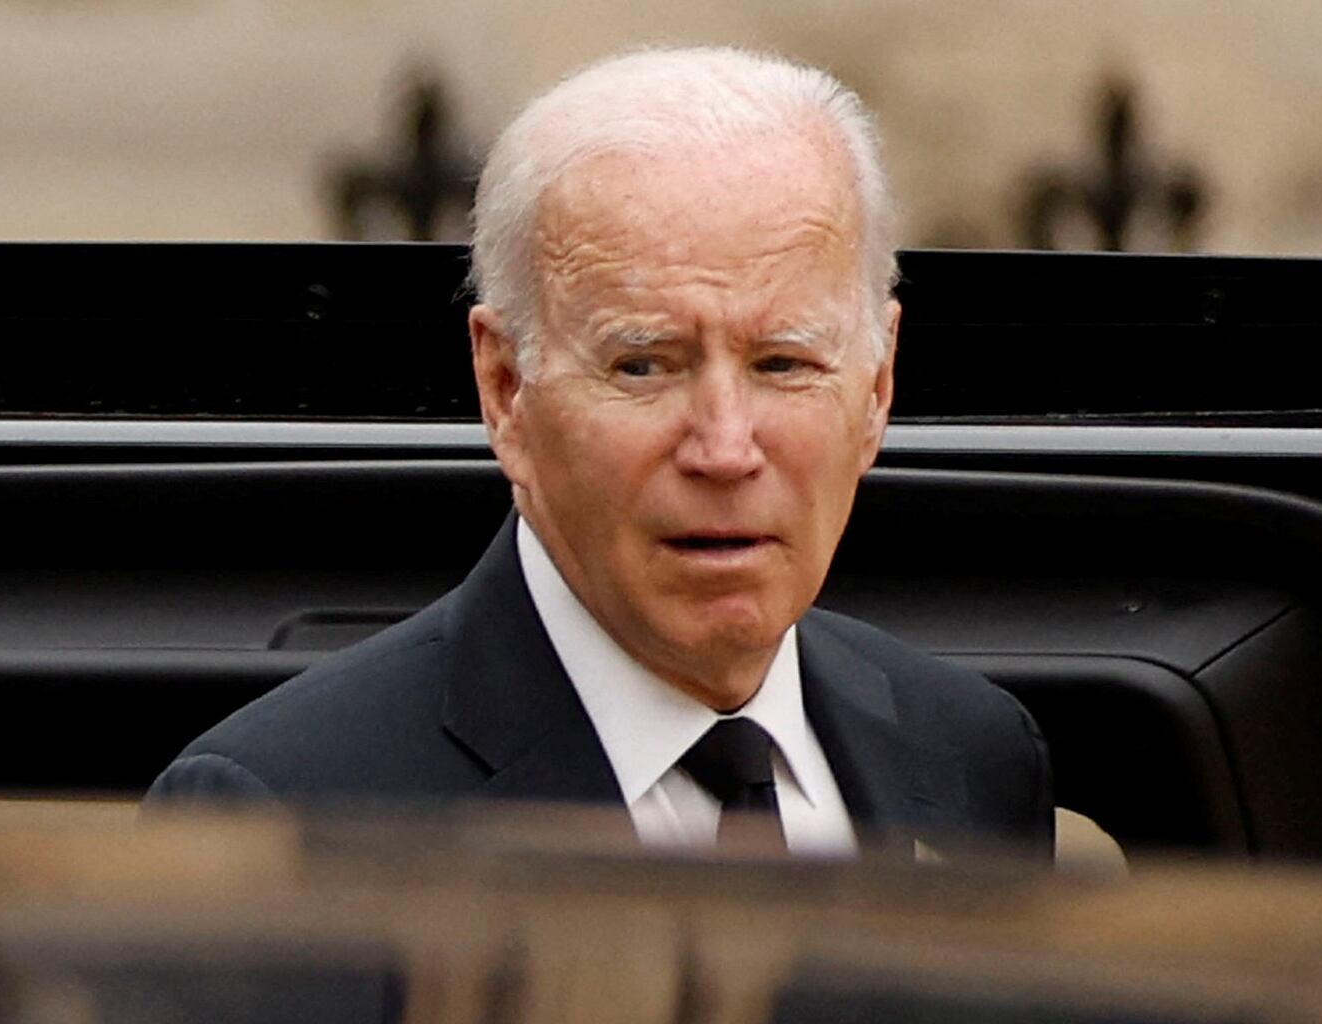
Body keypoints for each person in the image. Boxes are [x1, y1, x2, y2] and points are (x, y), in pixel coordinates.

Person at [150, 46, 1053, 856]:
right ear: (505, 389)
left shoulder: (975, 757)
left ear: (878, 387)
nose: (725, 448)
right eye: (644, 366)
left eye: (783, 364)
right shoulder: (286, 820)